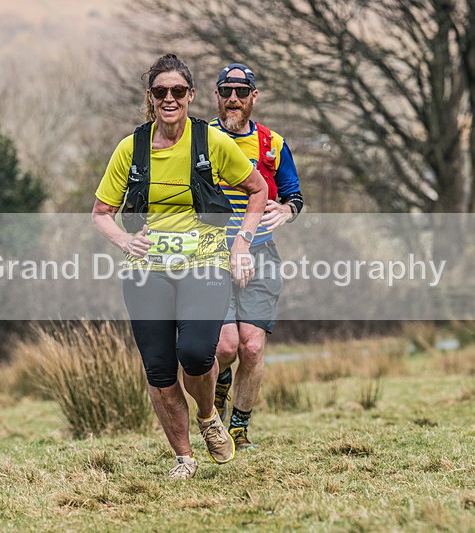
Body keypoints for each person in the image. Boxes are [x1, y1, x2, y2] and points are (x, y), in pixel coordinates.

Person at [91, 54, 268, 479]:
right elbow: (101, 213)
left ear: (190, 95)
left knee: (195, 353)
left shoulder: (212, 142)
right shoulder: (131, 148)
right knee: (158, 368)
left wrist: (241, 243)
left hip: (205, 262)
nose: (168, 99)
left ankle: (208, 416)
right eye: (160, 92)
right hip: (147, 270)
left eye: (177, 91)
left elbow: (258, 190)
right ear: (150, 97)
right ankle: (184, 458)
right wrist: (123, 240)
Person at [211, 63, 304, 451]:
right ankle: (218, 383)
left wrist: (287, 210)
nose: (233, 98)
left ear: (254, 96)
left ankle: (238, 428)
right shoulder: (201, 139)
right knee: (224, 347)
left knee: (251, 347)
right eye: (226, 91)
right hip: (212, 255)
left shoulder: (272, 144)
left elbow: (294, 195)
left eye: (241, 91)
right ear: (217, 96)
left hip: (261, 254)